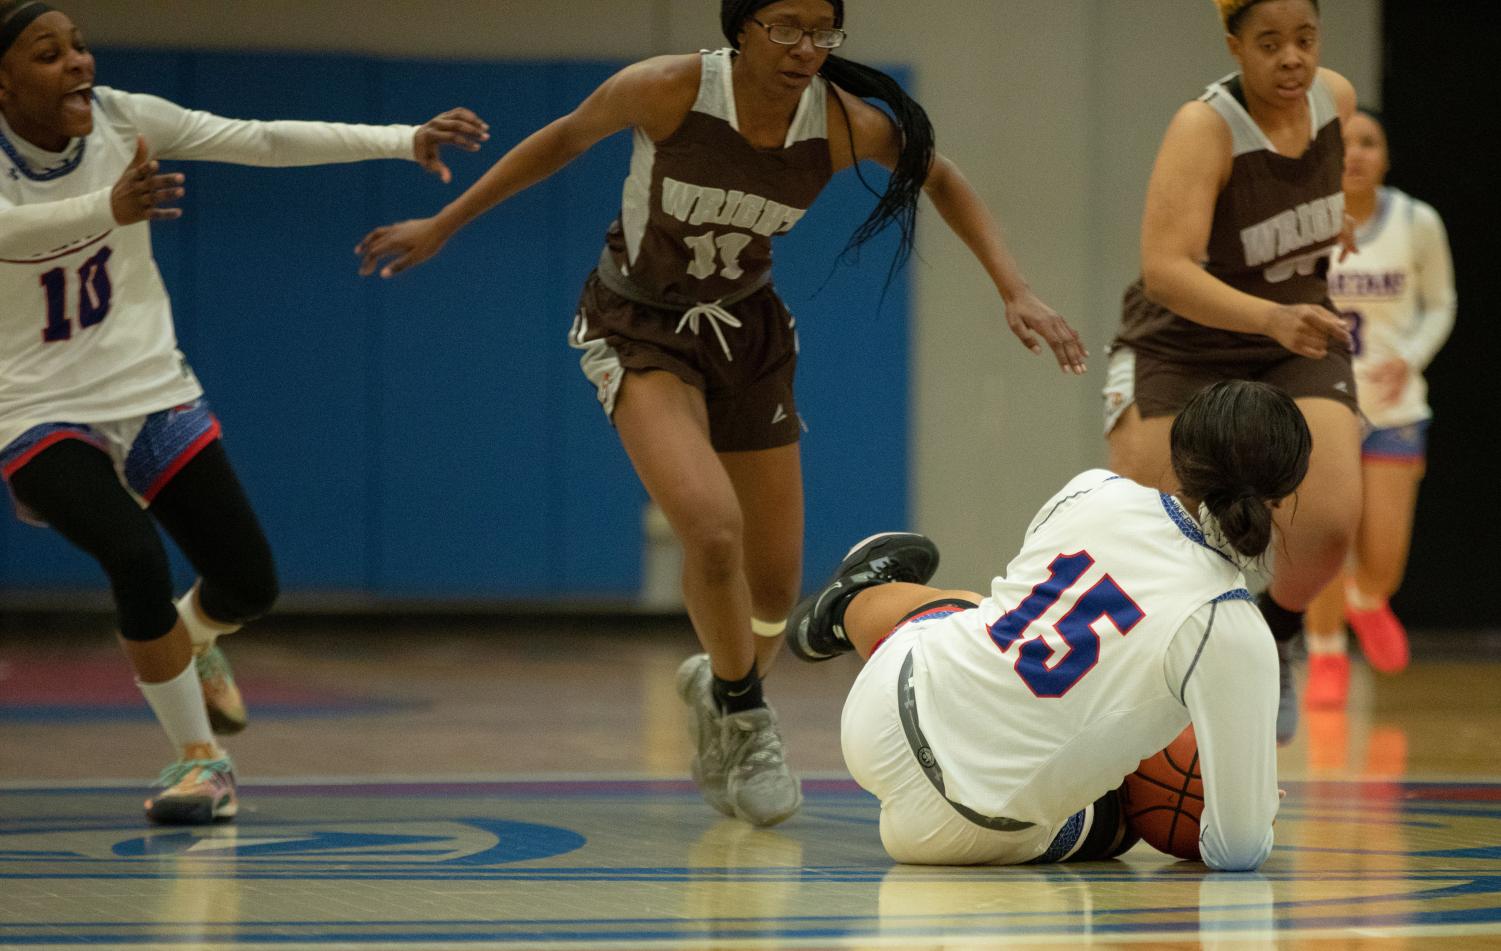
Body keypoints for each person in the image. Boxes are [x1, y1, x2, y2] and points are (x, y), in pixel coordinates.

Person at [355, 0, 1086, 827]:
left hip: (747, 330)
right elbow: (560, 139)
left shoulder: (841, 124)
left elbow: (939, 174)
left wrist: (1013, 288)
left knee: (773, 586)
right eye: (784, 26)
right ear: (741, 27)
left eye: (821, 30)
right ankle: (743, 717)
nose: (804, 47)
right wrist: (446, 223)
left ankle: (721, 678)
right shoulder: (668, 90)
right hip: (639, 325)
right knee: (709, 529)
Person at [0, 0, 488, 824]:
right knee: (134, 555)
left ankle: (192, 641)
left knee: (249, 583)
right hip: (32, 403)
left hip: (147, 383)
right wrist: (106, 211)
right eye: (48, 54)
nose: (78, 63)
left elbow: (258, 137)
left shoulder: (128, 120)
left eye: (79, 46)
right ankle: (202, 761)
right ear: (4, 80)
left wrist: (399, 136)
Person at [788, 380, 1307, 872]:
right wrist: (1247, 802)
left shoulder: (1092, 489)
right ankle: (851, 603)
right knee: (1129, 810)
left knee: (977, 610)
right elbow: (1237, 848)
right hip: (952, 832)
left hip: (876, 716)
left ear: (1180, 454)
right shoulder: (1235, 627)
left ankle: (852, 604)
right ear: (1283, 498)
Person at [1100, 0, 1361, 745]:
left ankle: (1271, 635)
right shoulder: (1203, 126)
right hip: (1184, 342)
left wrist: (1307, 263)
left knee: (1330, 522)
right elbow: (1163, 270)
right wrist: (1268, 315)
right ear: (1234, 45)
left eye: (1304, 39)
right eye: (1270, 43)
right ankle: (1139, 692)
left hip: (1294, 332)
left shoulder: (1334, 100)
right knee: (1150, 532)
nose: (1291, 59)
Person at [1302, 109, 1456, 707]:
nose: (1356, 154)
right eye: (1344, 145)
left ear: (1386, 156)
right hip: (1324, 404)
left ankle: (1367, 601)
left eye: (1369, 142)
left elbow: (1441, 304)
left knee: (1383, 558)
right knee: (1323, 541)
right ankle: (1326, 653)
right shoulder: (1307, 227)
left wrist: (1410, 358)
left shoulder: (1418, 221)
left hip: (1393, 408)